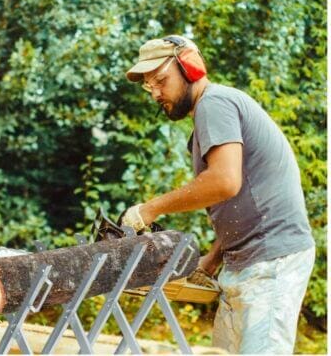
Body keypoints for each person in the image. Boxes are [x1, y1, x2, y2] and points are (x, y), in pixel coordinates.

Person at [121, 35, 315, 354]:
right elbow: (246, 201)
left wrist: (150, 209)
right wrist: (211, 261)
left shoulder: (215, 103)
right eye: (148, 85)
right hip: (245, 260)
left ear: (190, 68)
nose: (155, 92)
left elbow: (224, 182)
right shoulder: (208, 117)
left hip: (270, 260)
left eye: (160, 80)